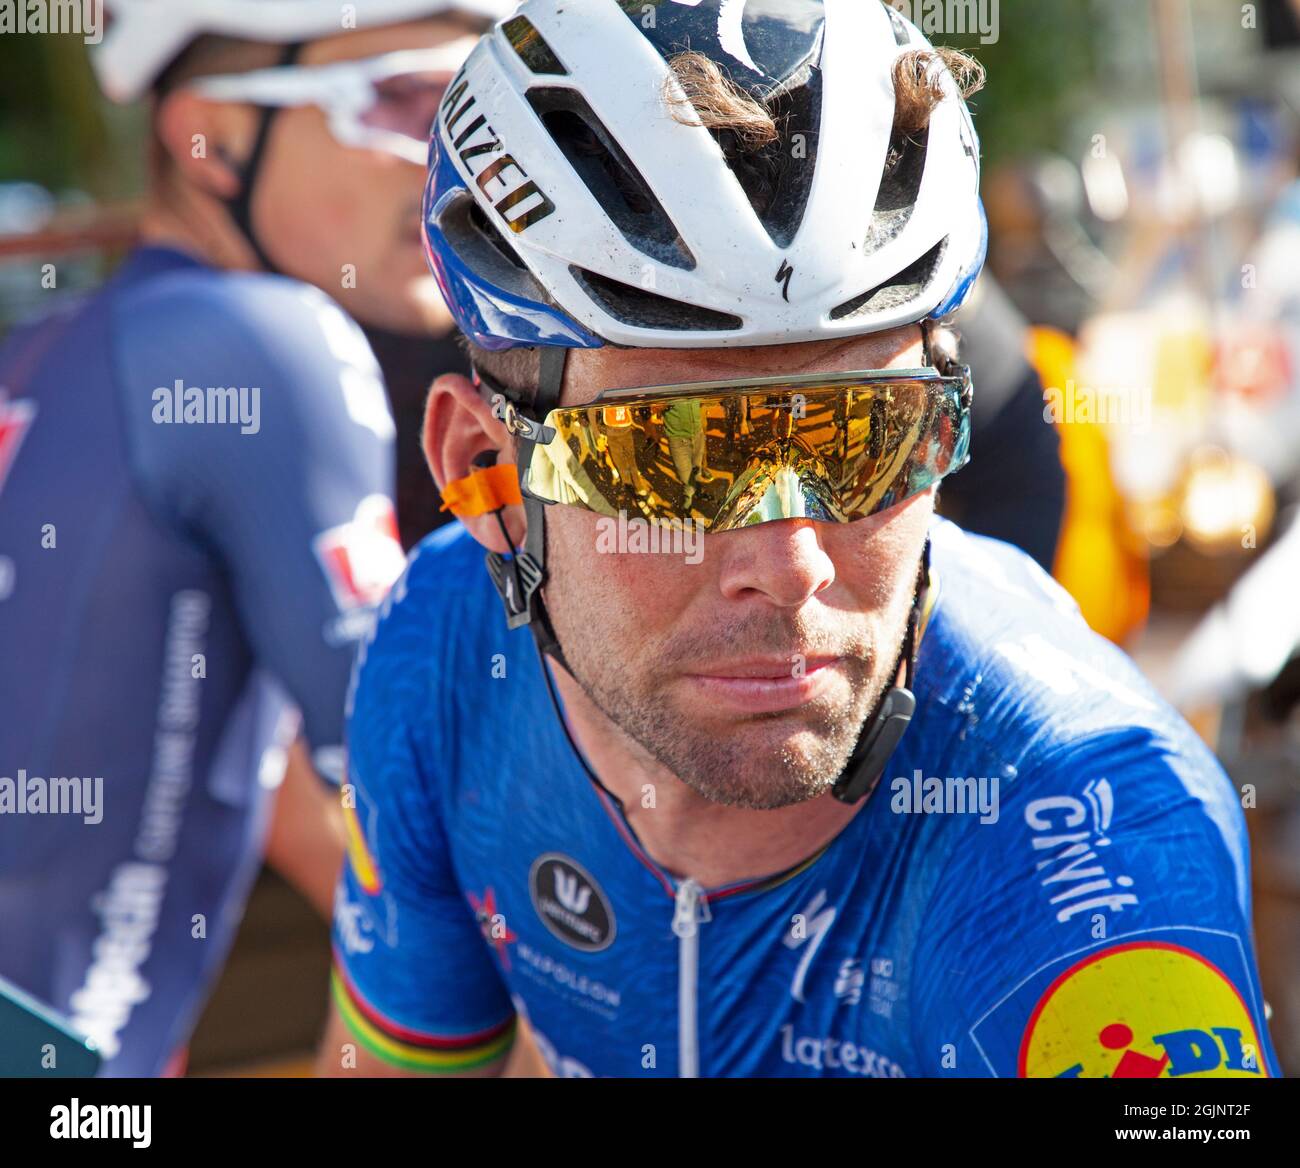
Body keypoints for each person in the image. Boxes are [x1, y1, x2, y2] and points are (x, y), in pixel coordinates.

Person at [320, 0, 1280, 1078]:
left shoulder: (1089, 838)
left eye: (864, 435)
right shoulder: (439, 649)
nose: (790, 566)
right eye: (668, 457)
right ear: (480, 475)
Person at [0, 0, 505, 1076]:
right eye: (408, 102)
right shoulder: (260, 341)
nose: (456, 169)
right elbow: (449, 814)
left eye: (481, 115)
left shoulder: (52, 347)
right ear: (209, 140)